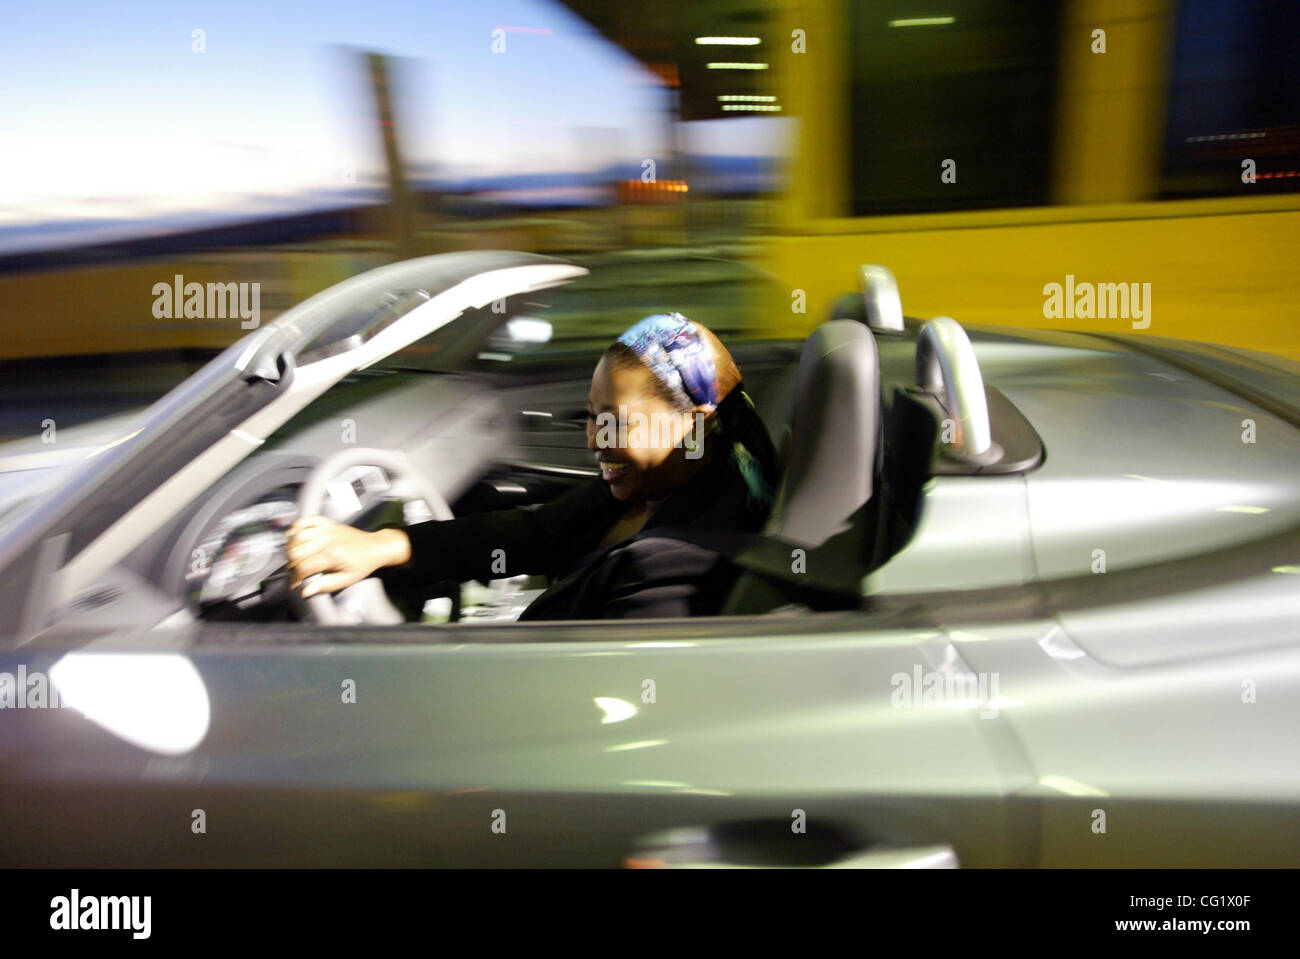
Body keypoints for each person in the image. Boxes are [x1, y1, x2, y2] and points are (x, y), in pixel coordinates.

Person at [285, 313, 777, 619]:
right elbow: (535, 531)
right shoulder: (650, 489)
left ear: (692, 428)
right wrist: (386, 545)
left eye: (616, 424)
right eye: (591, 416)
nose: (594, 440)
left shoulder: (679, 568)